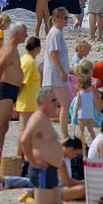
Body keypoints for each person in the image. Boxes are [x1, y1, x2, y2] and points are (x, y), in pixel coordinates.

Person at [20, 88, 64, 204]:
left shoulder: (45, 119)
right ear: (43, 102)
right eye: (53, 101)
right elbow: (24, 139)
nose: (56, 104)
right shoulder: (37, 119)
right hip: (42, 170)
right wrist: (32, 160)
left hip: (51, 170)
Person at [0, 22, 26, 167]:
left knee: (5, 127)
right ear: (17, 35)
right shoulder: (9, 49)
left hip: (12, 89)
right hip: (5, 89)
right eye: (24, 33)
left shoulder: (12, 49)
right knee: (1, 125)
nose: (27, 36)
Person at [42, 8, 71, 139]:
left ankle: (48, 130)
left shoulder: (57, 32)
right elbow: (53, 54)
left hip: (54, 74)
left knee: (51, 104)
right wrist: (61, 72)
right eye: (65, 18)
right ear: (57, 19)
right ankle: (64, 133)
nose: (66, 21)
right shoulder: (54, 33)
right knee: (65, 103)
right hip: (55, 74)